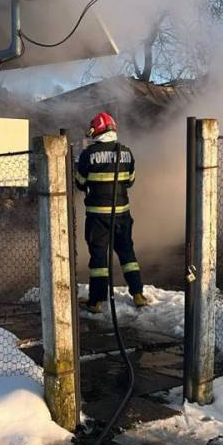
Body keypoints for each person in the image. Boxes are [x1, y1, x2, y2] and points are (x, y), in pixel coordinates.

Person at [75, 112, 149, 313]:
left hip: (97, 217)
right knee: (127, 253)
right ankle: (138, 294)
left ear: (96, 130)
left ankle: (96, 301)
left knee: (99, 257)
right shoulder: (127, 152)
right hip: (122, 215)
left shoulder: (88, 154)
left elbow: (80, 183)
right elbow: (130, 181)